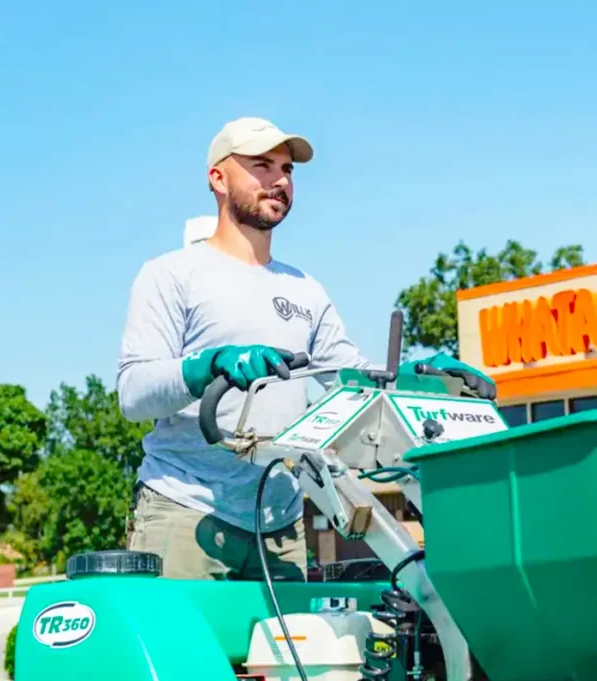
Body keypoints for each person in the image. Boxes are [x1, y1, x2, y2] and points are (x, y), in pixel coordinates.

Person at [116, 116, 493, 581]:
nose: (279, 180)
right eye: (261, 165)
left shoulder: (304, 289)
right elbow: (133, 394)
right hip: (187, 511)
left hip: (280, 524)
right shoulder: (171, 274)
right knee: (183, 655)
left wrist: (423, 377)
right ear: (217, 177)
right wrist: (208, 366)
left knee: (293, 655)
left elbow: (350, 380)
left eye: (288, 169)